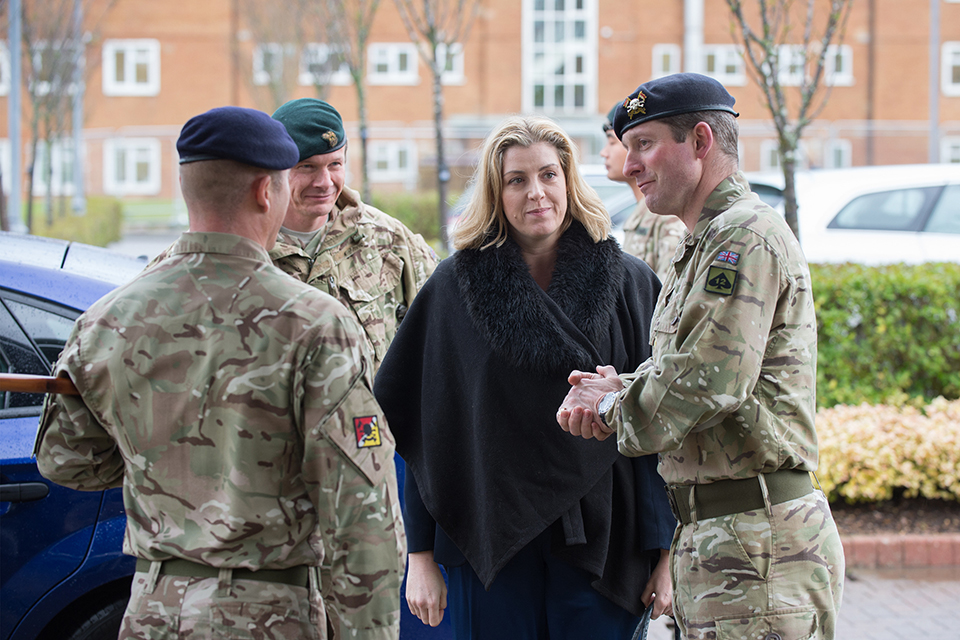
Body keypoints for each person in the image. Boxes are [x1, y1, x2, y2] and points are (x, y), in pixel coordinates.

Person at [33, 106, 406, 640]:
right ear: (265, 192)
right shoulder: (313, 323)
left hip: (153, 612)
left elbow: (67, 462)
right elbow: (362, 513)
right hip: (272, 615)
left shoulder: (108, 319)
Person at [557, 73, 845, 640]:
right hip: (723, 537)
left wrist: (612, 402)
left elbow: (712, 380)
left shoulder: (743, 236)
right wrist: (626, 382)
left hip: (757, 547)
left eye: (645, 143)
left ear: (701, 141)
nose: (631, 163)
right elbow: (693, 363)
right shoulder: (705, 239)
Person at [373, 115, 676, 639]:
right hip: (493, 536)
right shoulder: (453, 288)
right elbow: (424, 430)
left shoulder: (628, 281)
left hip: (607, 537)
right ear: (496, 192)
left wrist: (668, 551)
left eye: (548, 175)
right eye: (517, 180)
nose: (536, 193)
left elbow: (661, 426)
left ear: (568, 182)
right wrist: (420, 555)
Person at [269, 98, 438, 370]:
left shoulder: (388, 238)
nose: (324, 182)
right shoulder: (246, 249)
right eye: (307, 167)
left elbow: (443, 329)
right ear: (276, 168)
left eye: (335, 164)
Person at [600, 102, 686, 281]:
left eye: (611, 142)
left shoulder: (666, 215)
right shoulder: (645, 210)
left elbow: (666, 293)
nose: (604, 152)